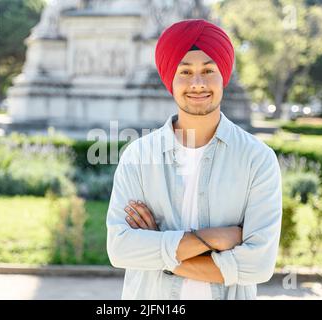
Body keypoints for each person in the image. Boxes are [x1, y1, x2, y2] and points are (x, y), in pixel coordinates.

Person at [106, 19, 282, 300]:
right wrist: (212, 239)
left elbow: (258, 265)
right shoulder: (138, 157)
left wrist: (160, 251)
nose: (197, 83)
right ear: (170, 80)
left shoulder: (257, 159)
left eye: (208, 70)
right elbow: (120, 249)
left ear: (222, 75)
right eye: (185, 71)